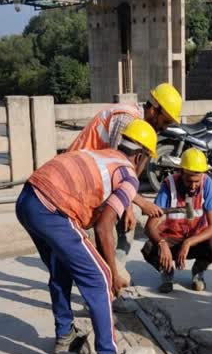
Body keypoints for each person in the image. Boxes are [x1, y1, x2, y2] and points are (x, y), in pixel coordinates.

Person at [15, 119, 157, 354]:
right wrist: (113, 273)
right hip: (52, 208)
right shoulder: (128, 174)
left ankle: (65, 335)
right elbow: (104, 227)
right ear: (141, 156)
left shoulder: (102, 155)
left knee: (61, 268)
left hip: (27, 200)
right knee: (100, 278)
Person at [67, 83, 183, 274]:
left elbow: (131, 172)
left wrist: (129, 200)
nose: (165, 127)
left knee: (125, 230)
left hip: (100, 178)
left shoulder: (147, 131)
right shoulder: (126, 119)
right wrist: (139, 203)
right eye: (166, 120)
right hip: (80, 179)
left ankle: (116, 275)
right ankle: (107, 281)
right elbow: (117, 167)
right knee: (97, 236)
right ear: (154, 109)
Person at [142, 148, 212, 293]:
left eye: (196, 182)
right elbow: (149, 227)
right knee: (149, 249)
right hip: (171, 239)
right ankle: (167, 271)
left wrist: (188, 242)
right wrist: (162, 243)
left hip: (195, 241)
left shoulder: (207, 183)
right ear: (181, 172)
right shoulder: (168, 185)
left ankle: (198, 271)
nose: (193, 186)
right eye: (188, 180)